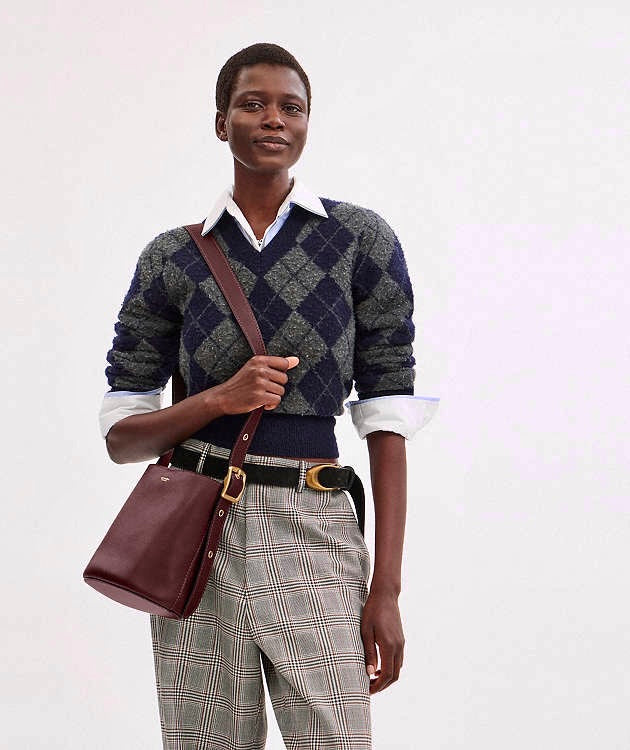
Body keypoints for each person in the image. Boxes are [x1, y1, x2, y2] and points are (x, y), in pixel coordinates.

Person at [98, 42, 439, 750]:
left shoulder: (360, 241)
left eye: (291, 107)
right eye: (253, 104)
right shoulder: (172, 257)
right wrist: (216, 400)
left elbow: (388, 420)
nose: (274, 119)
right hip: (198, 530)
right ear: (222, 122)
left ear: (308, 122)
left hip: (315, 523)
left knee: (336, 739)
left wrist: (386, 589)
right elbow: (123, 439)